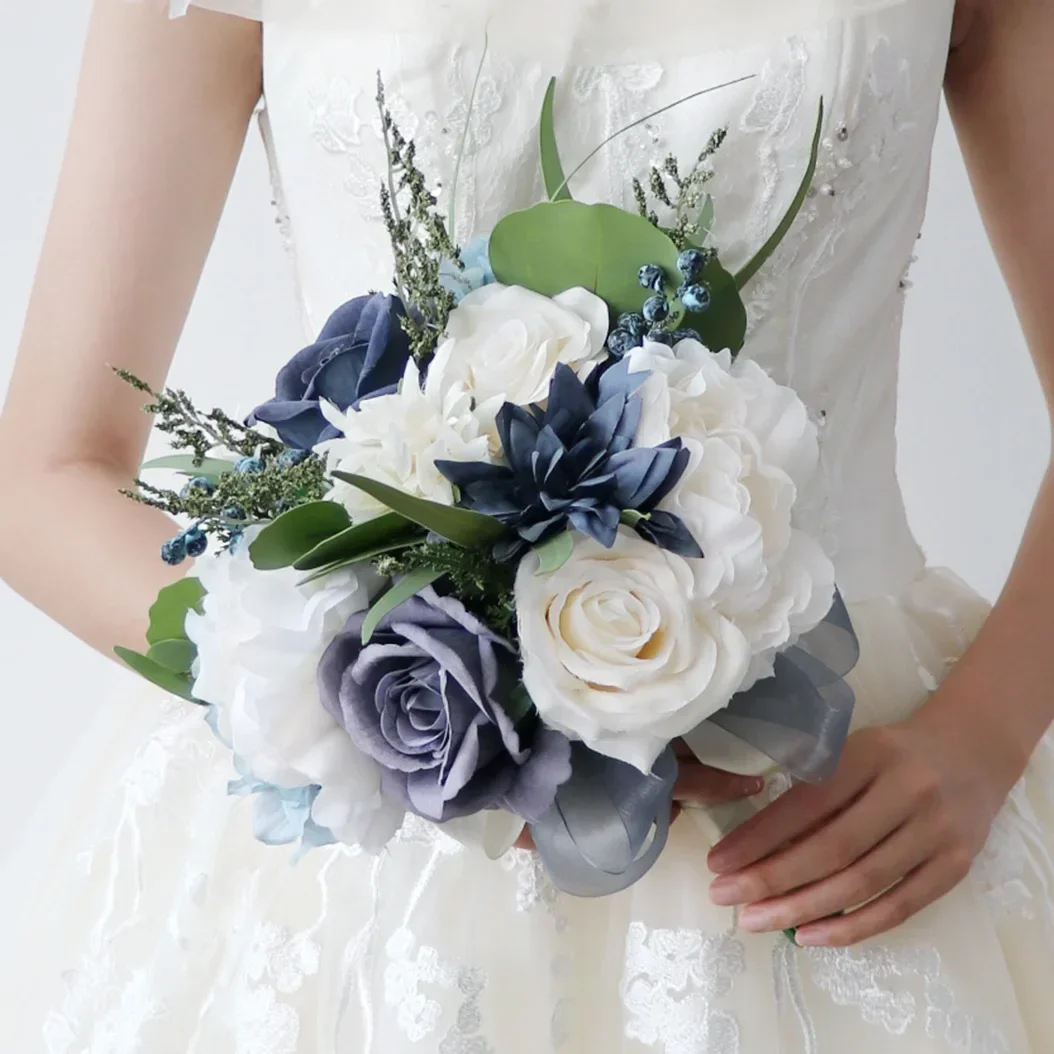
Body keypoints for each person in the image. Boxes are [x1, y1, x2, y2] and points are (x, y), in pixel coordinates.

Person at [0, 0, 1051, 1049]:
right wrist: (371, 715)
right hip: (377, 825)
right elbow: (44, 472)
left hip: (842, 796)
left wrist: (984, 734)